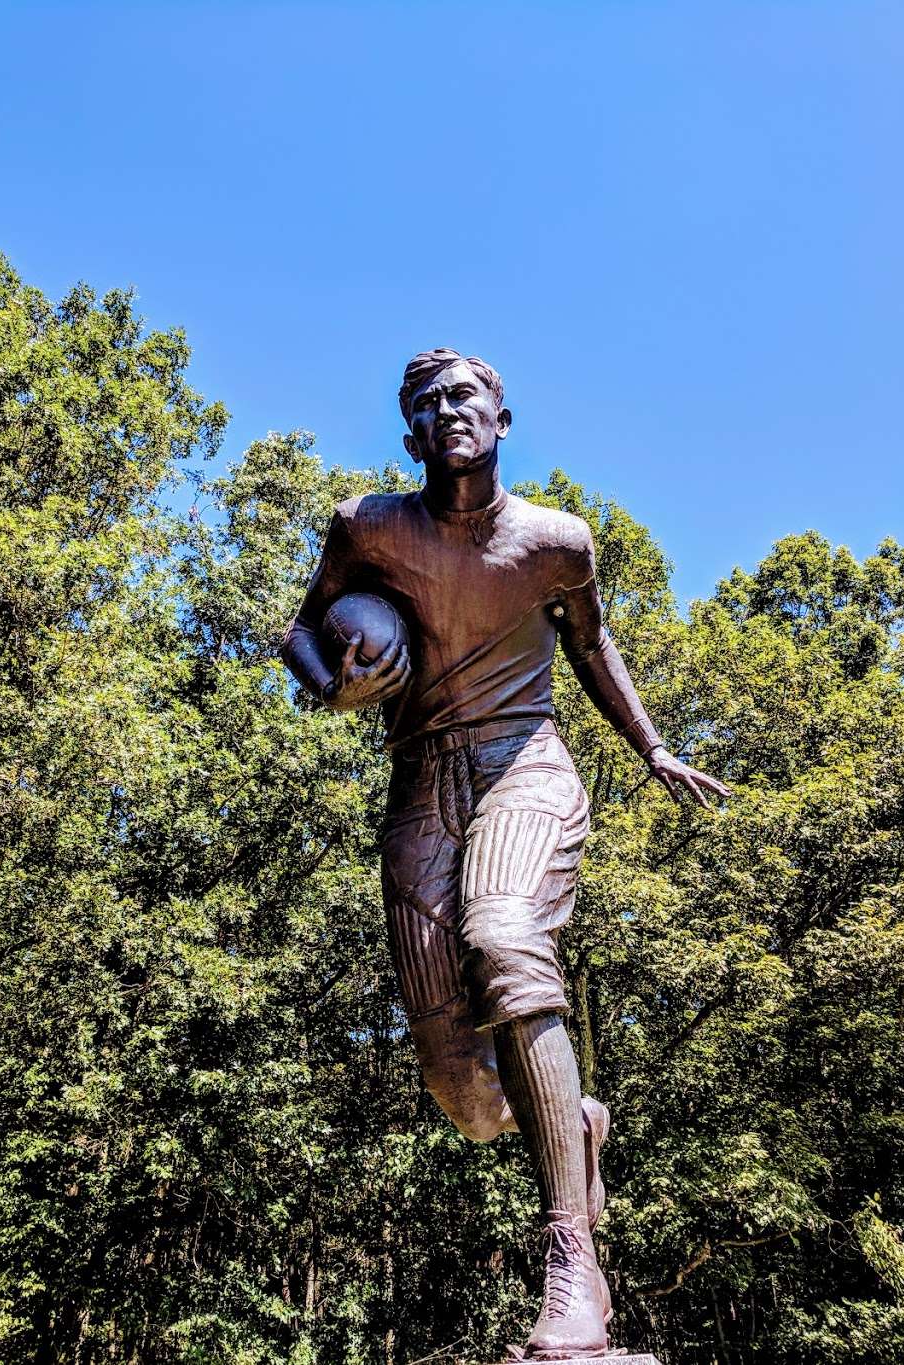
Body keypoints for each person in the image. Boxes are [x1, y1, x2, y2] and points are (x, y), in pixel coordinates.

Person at [282, 348, 730, 1359]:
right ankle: (574, 1127)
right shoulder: (369, 528)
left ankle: (572, 1257)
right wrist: (332, 683)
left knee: (505, 933)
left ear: (501, 419)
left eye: (465, 398)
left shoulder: (556, 541)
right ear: (410, 435)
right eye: (428, 403)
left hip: (524, 766)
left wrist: (652, 747)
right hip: (420, 783)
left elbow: (590, 644)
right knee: (461, 1091)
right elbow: (301, 633)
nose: (449, 412)